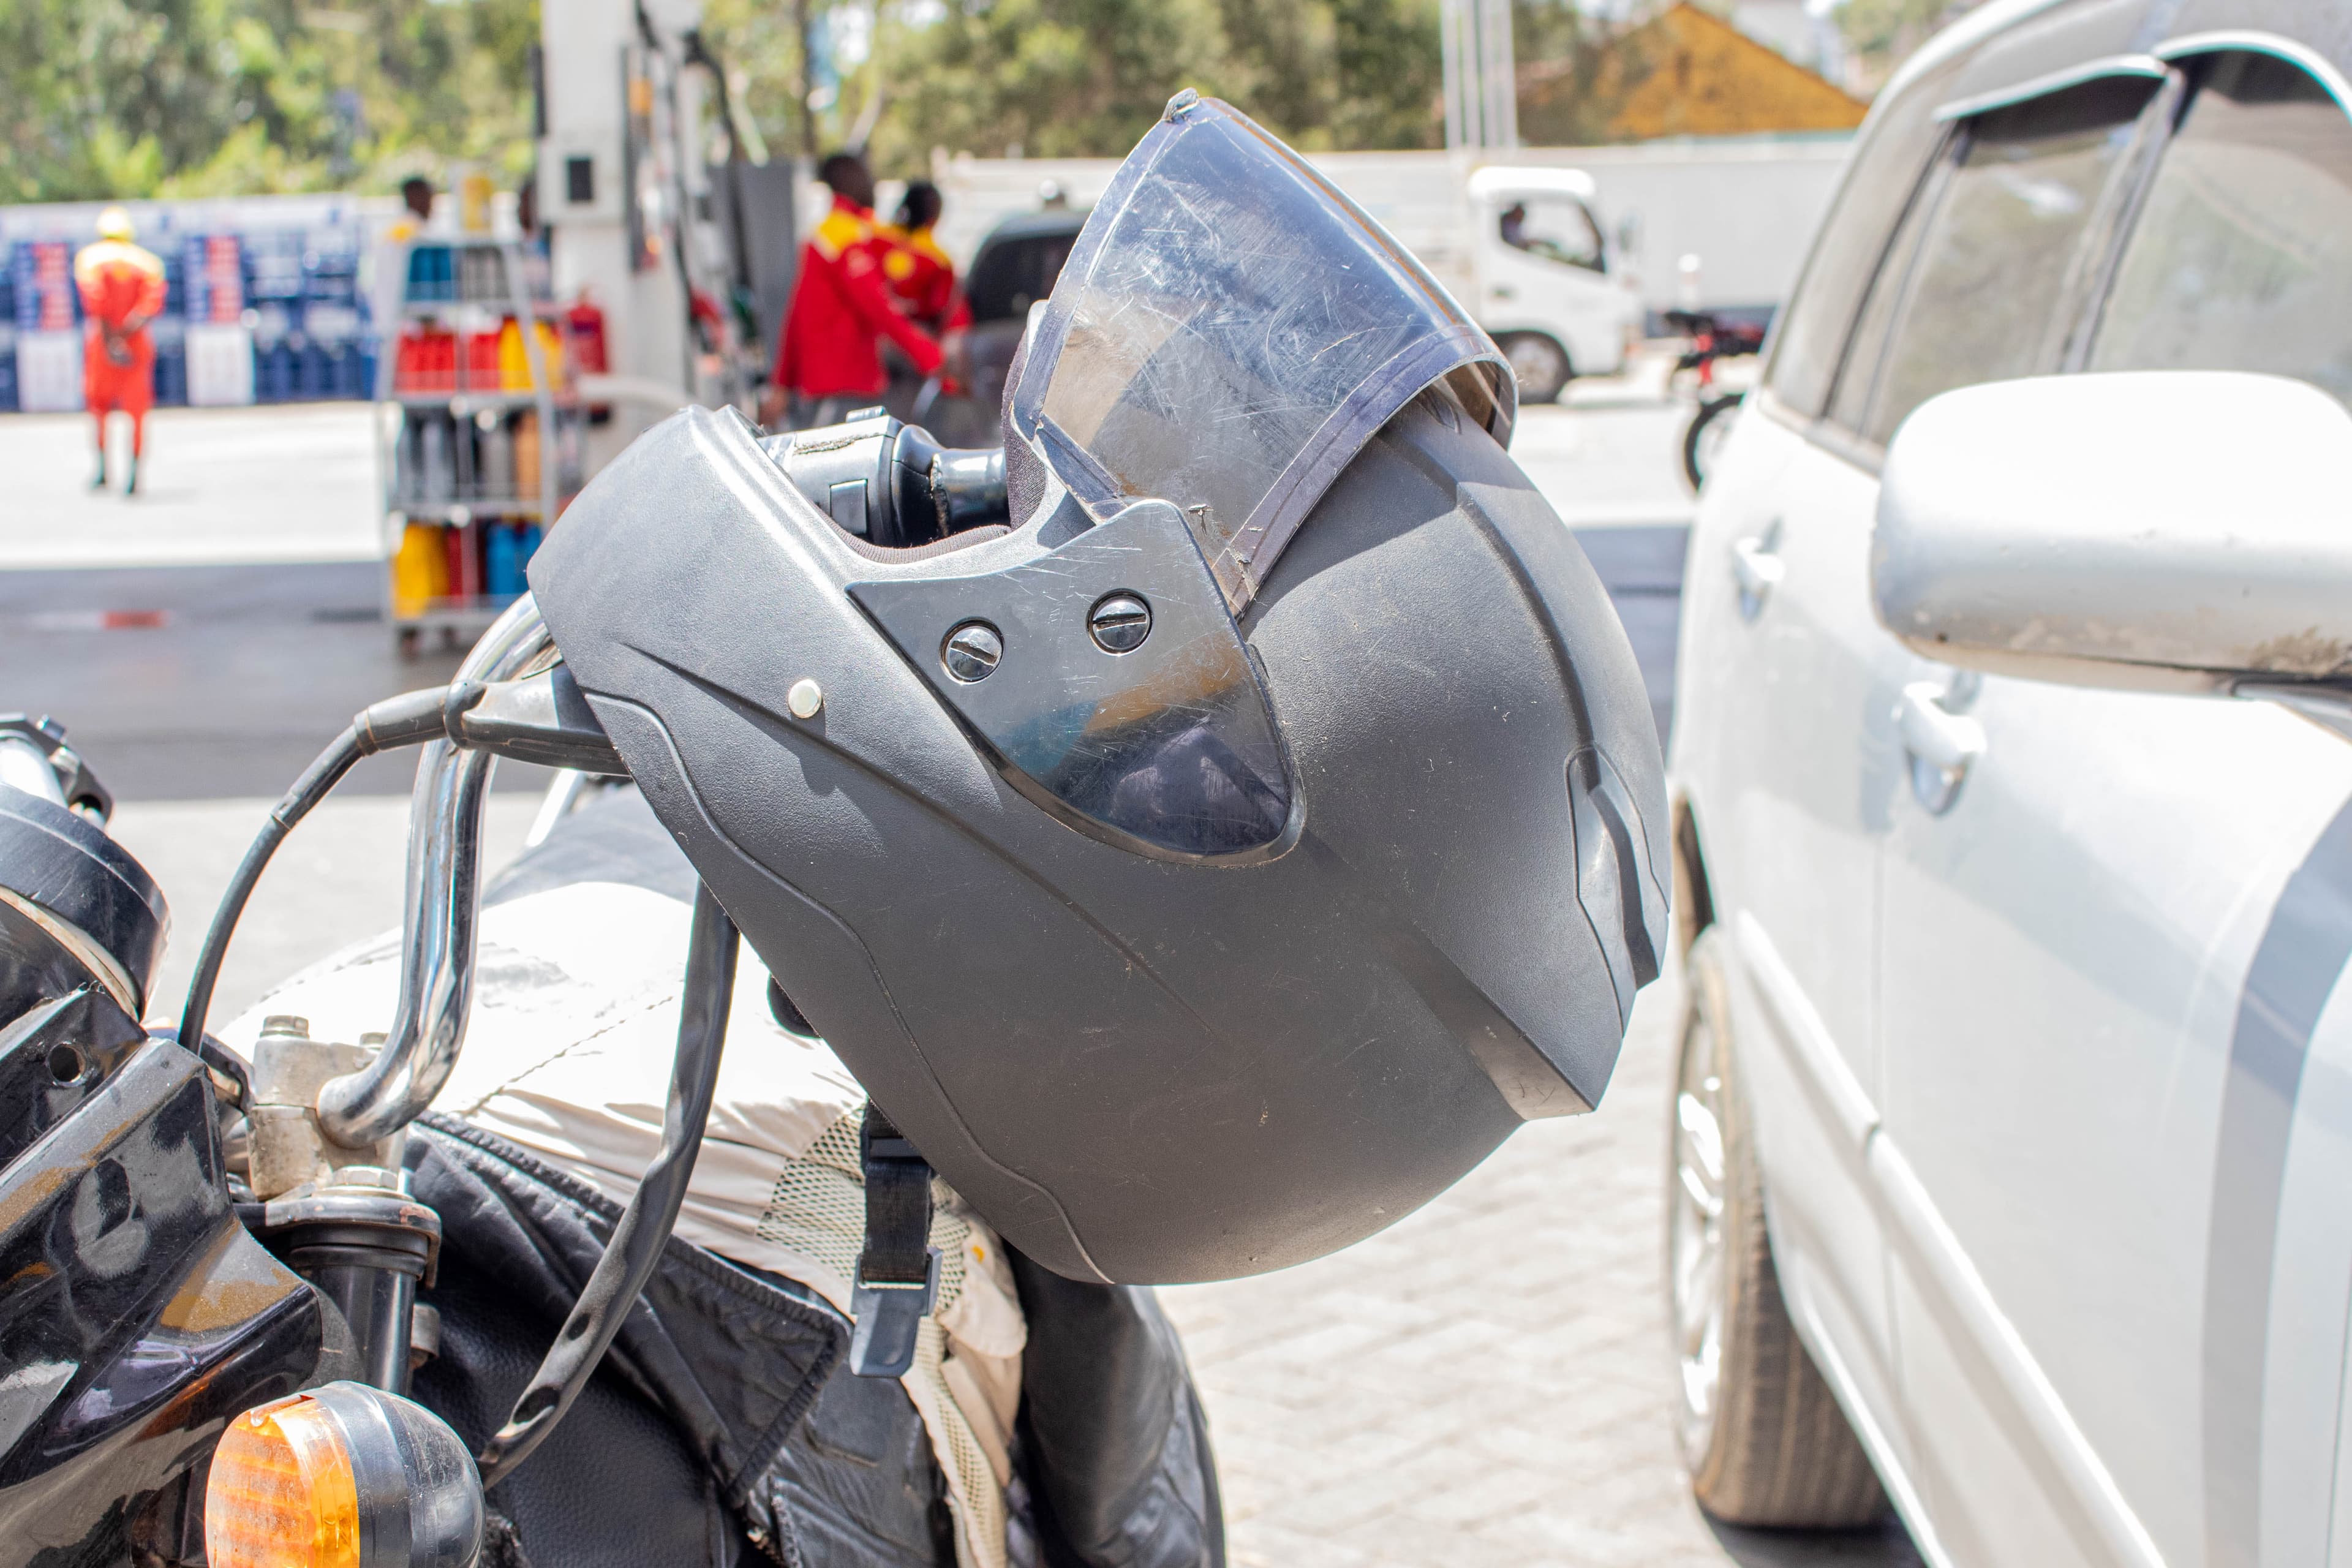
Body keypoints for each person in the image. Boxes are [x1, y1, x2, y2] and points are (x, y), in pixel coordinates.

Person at [759, 152, 944, 429]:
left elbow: (795, 315)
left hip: (827, 389)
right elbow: (879, 308)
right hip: (844, 388)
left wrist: (781, 384)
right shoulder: (845, 237)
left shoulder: (828, 234)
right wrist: (933, 359)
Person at [73, 206, 167, 496]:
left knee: (99, 407)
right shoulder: (148, 262)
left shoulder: (89, 258)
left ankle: (103, 471)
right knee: (137, 411)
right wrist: (126, 335)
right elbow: (150, 307)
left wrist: (110, 340)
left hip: (102, 342)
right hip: (136, 343)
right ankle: (135, 476)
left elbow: (95, 303)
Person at [878, 181, 970, 339]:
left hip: (879, 337)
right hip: (918, 342)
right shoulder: (939, 260)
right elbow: (945, 314)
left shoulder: (876, 241)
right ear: (935, 217)